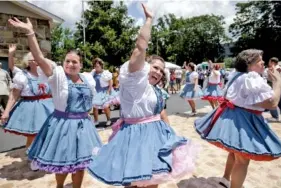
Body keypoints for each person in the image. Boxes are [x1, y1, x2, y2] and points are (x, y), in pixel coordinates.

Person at [87, 4, 198, 187]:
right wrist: (148, 20)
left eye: (161, 70)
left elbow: (161, 113)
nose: (159, 72)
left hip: (156, 137)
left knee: (154, 181)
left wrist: (170, 137)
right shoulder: (135, 81)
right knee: (133, 182)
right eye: (155, 67)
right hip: (133, 138)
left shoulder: (157, 90)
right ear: (145, 67)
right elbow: (139, 49)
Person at [8, 17, 103, 188]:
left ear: (81, 64)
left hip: (84, 125)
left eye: (75, 61)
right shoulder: (57, 77)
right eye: (67, 61)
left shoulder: (88, 79)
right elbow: (39, 57)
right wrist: (30, 33)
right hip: (63, 125)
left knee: (80, 165)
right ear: (63, 63)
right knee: (63, 162)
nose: (71, 64)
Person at [194, 49, 281, 188]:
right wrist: (278, 82)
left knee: (234, 152)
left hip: (234, 116)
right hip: (245, 120)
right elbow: (272, 103)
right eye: (260, 60)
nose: (263, 62)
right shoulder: (251, 78)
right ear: (249, 64)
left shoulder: (237, 75)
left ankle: (226, 178)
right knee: (242, 161)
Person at [1, 44, 54, 148]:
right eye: (34, 59)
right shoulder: (22, 76)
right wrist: (6, 112)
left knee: (50, 133)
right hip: (32, 110)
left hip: (49, 107)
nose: (37, 61)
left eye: (38, 58)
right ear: (28, 63)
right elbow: (14, 95)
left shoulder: (47, 73)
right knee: (33, 136)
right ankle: (31, 155)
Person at [91, 58, 119, 126]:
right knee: (95, 107)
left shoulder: (105, 73)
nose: (96, 67)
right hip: (96, 92)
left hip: (104, 91)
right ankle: (96, 121)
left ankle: (108, 120)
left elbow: (110, 82)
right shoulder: (93, 73)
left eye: (98, 65)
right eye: (95, 65)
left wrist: (109, 90)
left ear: (101, 65)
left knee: (105, 106)